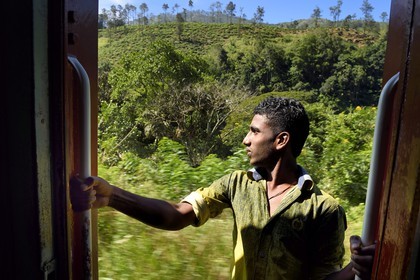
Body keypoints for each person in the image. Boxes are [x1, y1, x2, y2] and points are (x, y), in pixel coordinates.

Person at [71, 96, 376, 279]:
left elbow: (324, 279)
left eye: (254, 132)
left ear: (281, 141)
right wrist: (112, 196)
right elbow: (177, 215)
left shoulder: (323, 209)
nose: (246, 140)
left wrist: (357, 269)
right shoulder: (236, 184)